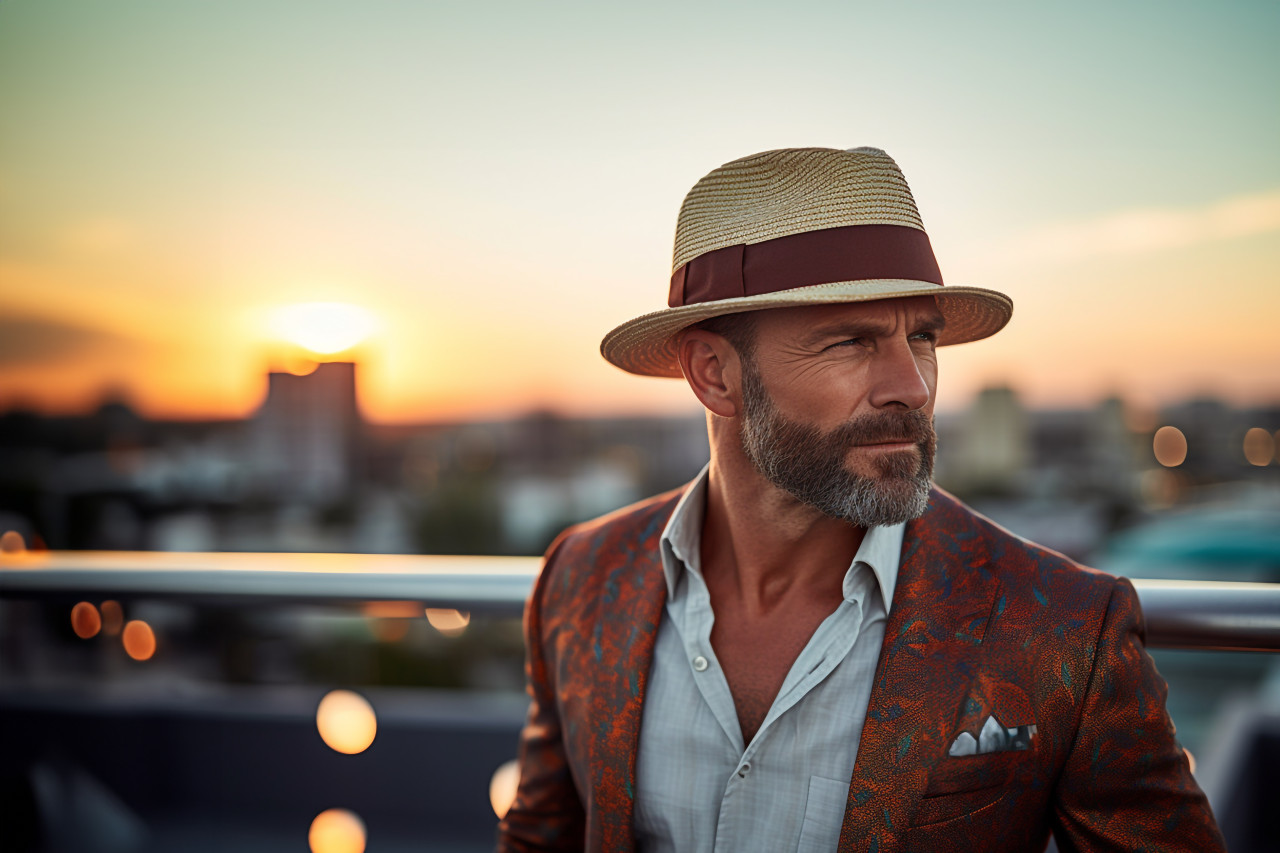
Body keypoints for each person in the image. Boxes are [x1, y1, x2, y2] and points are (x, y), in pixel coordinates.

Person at [495, 147, 1224, 852]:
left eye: (923, 337)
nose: (914, 386)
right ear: (714, 373)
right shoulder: (581, 580)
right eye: (849, 341)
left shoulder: (1063, 626)